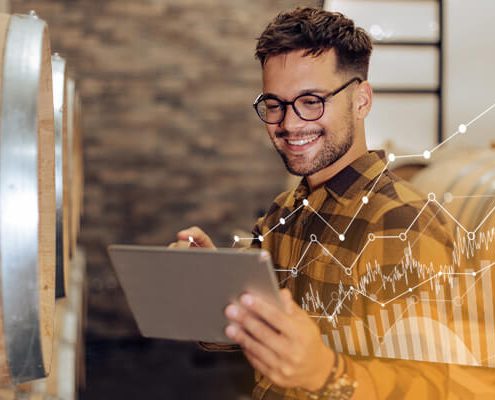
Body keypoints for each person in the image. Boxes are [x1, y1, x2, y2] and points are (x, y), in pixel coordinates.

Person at [170, 7, 454, 399]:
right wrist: (205, 285)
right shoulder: (283, 214)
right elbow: (255, 331)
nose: (289, 123)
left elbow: (432, 388)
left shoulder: (400, 223)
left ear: (361, 100)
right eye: (274, 104)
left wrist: (324, 372)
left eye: (311, 101)